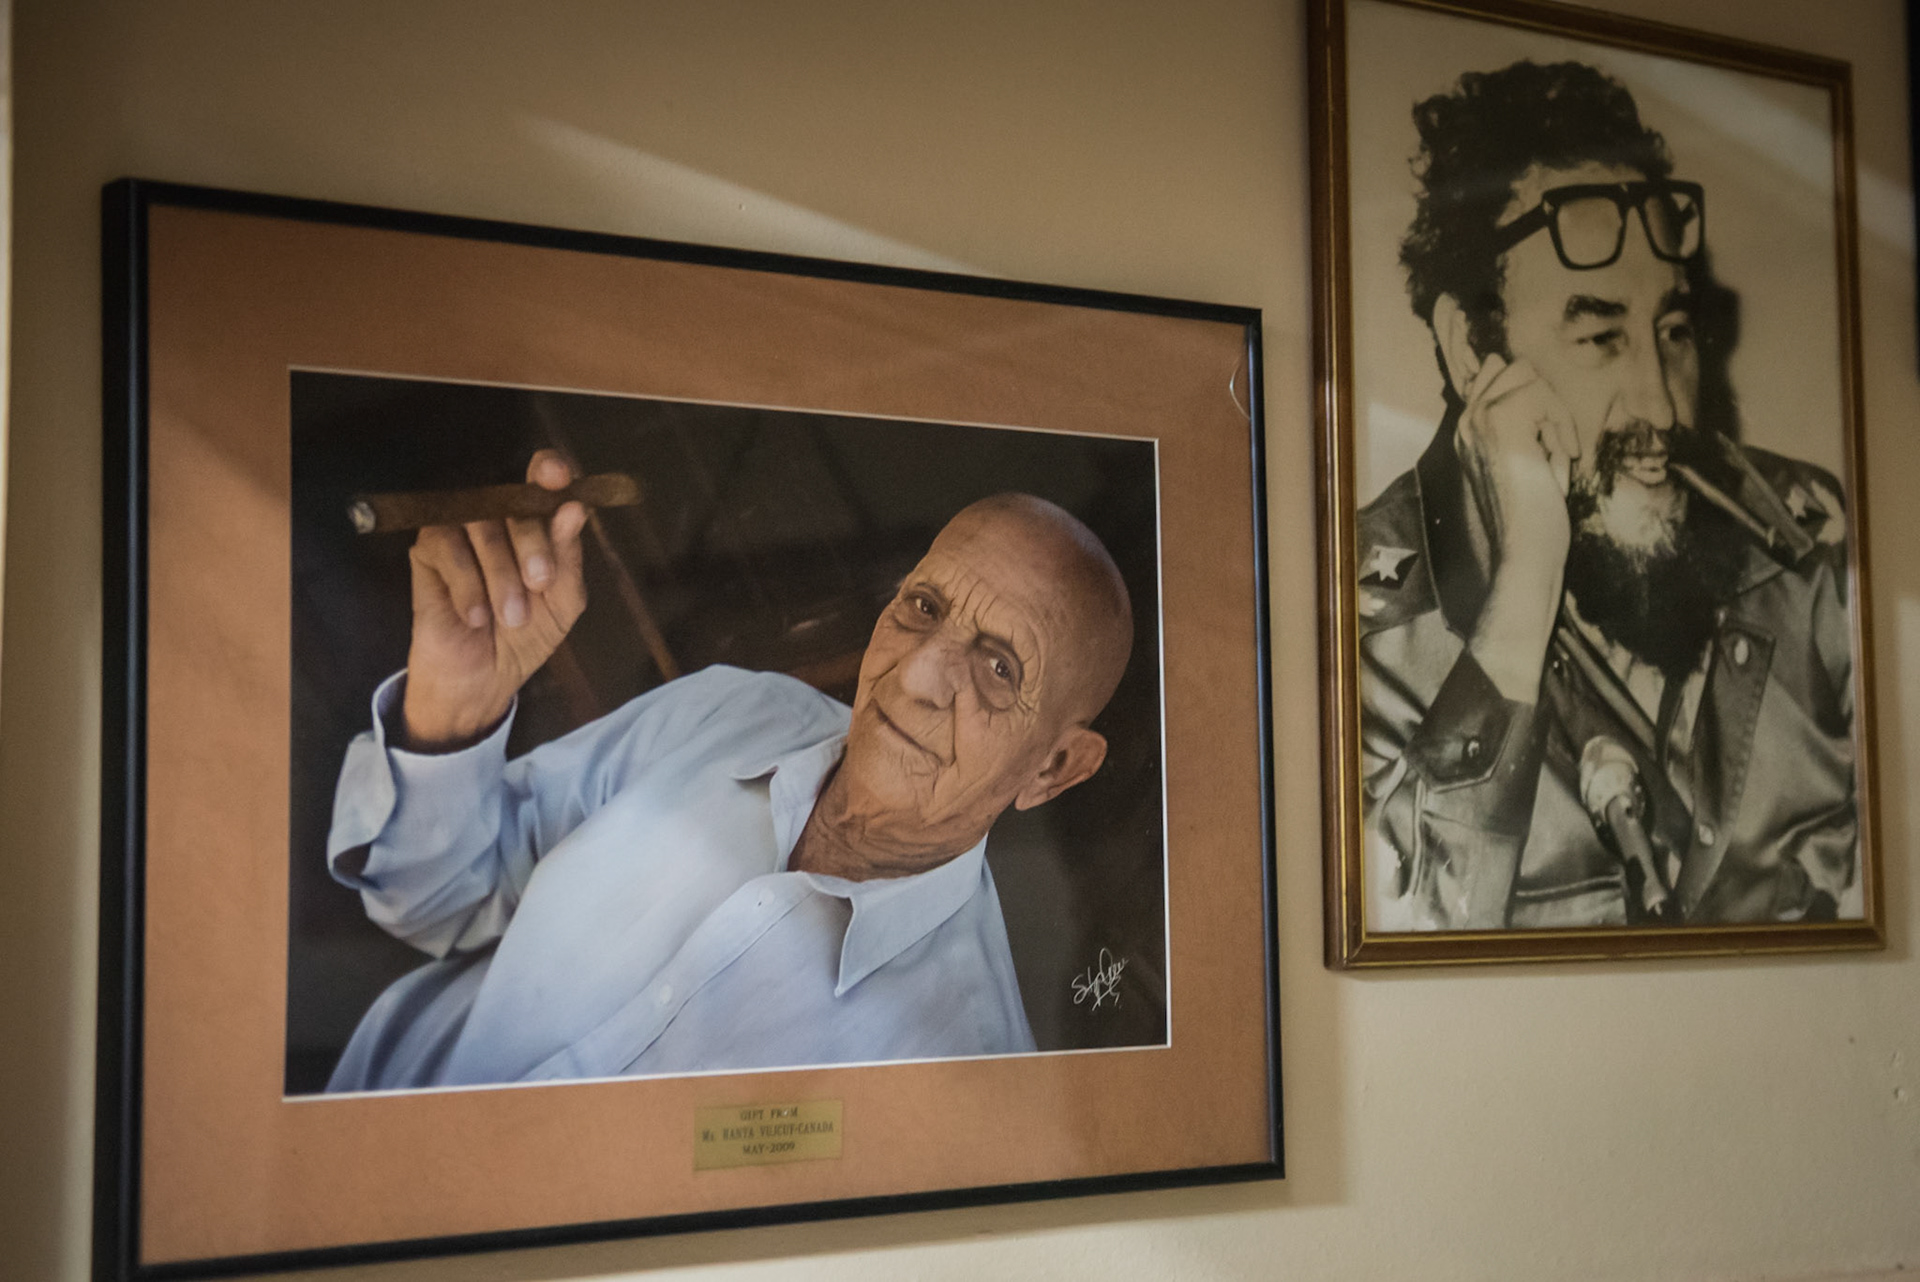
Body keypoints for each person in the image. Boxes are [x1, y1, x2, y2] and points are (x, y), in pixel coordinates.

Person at [323, 454, 1133, 1090]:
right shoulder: (727, 713)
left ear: (1056, 769)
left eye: (997, 669)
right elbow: (436, 899)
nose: (918, 675)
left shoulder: (964, 1070)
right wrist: (452, 709)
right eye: (922, 607)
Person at [1360, 60, 1857, 931]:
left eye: (1671, 331)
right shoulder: (1367, 630)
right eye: (1597, 336)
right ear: (1472, 351)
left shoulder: (1812, 544)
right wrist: (1524, 586)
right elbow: (1402, 942)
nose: (1661, 406)